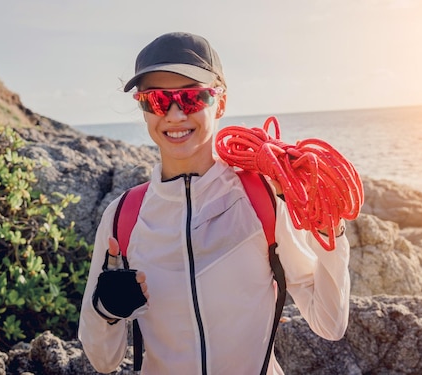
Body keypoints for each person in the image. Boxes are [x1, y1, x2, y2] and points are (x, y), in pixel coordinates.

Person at [78, 31, 351, 375]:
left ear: (220, 102)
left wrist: (330, 230)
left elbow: (329, 322)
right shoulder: (123, 217)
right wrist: (107, 310)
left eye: (191, 98)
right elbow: (103, 361)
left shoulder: (261, 197)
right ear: (143, 107)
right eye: (158, 100)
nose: (175, 115)